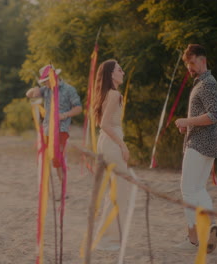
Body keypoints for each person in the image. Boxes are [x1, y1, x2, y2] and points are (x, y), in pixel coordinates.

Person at [174, 44, 217, 253]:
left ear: (203, 60)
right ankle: (210, 227)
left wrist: (185, 120)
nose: (189, 68)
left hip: (200, 144)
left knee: (187, 189)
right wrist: (188, 125)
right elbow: (206, 116)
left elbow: (213, 116)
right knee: (199, 188)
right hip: (206, 142)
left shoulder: (208, 84)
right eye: (187, 64)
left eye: (192, 63)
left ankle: (193, 239)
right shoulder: (203, 83)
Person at [92, 59, 132, 251]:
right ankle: (109, 240)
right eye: (119, 69)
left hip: (105, 144)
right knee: (120, 193)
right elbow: (105, 124)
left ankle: (107, 238)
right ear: (111, 74)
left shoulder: (107, 94)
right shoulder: (114, 94)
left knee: (115, 193)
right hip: (112, 145)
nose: (123, 72)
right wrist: (123, 146)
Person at [26, 64, 82, 199]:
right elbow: (29, 95)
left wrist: (64, 115)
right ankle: (46, 191)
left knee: (58, 159)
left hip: (61, 130)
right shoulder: (45, 90)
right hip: (46, 130)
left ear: (53, 76)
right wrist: (34, 89)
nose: (45, 83)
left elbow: (78, 108)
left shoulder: (69, 89)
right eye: (43, 81)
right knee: (46, 160)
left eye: (46, 80)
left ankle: (63, 191)